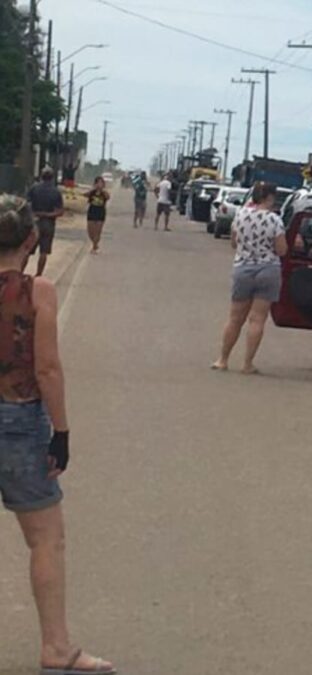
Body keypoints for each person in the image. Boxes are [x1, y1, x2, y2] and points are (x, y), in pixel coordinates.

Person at [0, 196, 115, 675]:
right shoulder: (37, 292)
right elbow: (46, 368)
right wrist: (61, 432)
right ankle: (56, 647)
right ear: (31, 239)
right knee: (46, 539)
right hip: (19, 421)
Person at [213, 182, 288, 375]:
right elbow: (281, 250)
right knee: (257, 319)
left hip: (243, 268)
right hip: (268, 269)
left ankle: (223, 359)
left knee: (235, 317)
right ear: (269, 197)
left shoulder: (240, 215)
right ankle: (247, 363)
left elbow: (233, 243)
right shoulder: (275, 220)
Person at [25, 169, 64, 278]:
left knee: (27, 249)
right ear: (52, 178)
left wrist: (34, 214)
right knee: (44, 251)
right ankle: (38, 274)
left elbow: (26, 204)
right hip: (48, 223)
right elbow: (60, 211)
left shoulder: (34, 188)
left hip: (34, 221)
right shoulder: (56, 192)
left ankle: (20, 271)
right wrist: (47, 214)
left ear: (41, 176)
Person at [83, 178, 109, 255]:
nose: (99, 185)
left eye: (101, 183)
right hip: (91, 212)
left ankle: (94, 247)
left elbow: (108, 197)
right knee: (90, 231)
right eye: (98, 183)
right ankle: (95, 244)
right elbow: (85, 195)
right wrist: (93, 190)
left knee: (98, 232)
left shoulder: (104, 193)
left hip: (100, 213)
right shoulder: (92, 192)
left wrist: (102, 191)